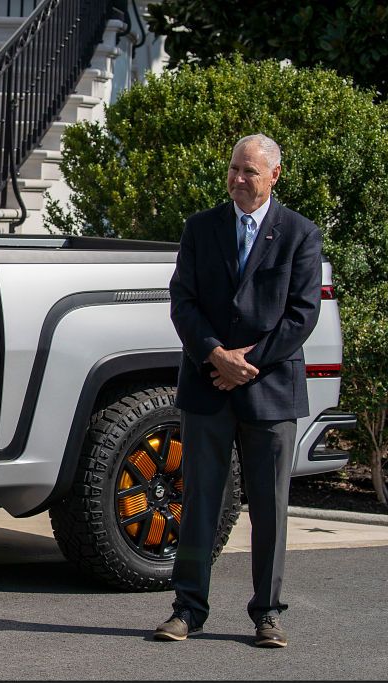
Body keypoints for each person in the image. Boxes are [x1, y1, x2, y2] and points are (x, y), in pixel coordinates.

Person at [154, 134, 322, 648]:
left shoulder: (299, 233)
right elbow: (182, 300)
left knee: (269, 507)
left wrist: (246, 363)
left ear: (274, 175)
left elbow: (302, 313)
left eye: (249, 171)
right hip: (208, 385)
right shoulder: (201, 228)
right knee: (200, 500)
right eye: (233, 169)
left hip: (268, 390)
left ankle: (267, 614)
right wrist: (215, 355)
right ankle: (187, 609)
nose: (237, 178)